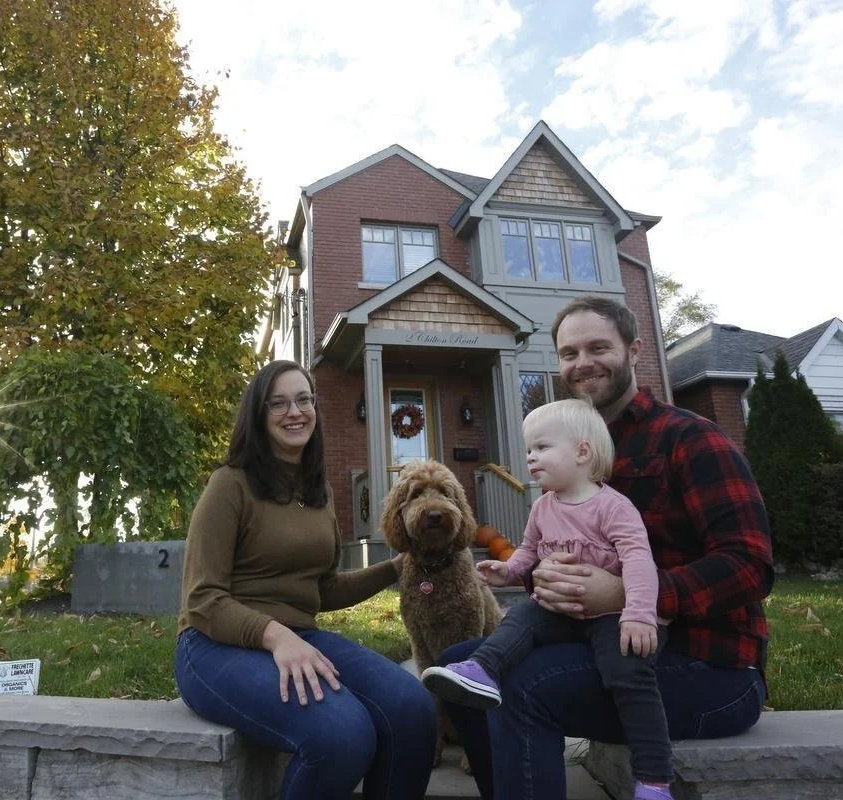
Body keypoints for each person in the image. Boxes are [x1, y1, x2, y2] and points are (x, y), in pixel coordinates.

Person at [438, 295, 774, 800]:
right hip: (600, 637)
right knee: (463, 666)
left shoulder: (691, 440)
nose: (583, 363)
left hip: (709, 665)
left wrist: (628, 594)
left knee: (523, 686)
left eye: (598, 347)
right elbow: (562, 546)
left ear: (635, 350)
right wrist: (539, 576)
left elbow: (749, 566)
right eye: (569, 353)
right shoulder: (561, 451)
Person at [175, 360, 436, 800]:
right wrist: (276, 636)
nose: (294, 411)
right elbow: (202, 599)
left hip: (297, 635)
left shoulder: (317, 490)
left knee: (412, 710)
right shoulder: (230, 484)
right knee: (342, 735)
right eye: (278, 403)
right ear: (259, 415)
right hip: (212, 646)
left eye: (303, 399)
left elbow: (323, 589)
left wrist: (395, 568)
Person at [421, 398, 673, 799]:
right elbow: (527, 551)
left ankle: (654, 780)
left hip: (612, 616)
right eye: (529, 450)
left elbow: (639, 560)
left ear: (582, 452)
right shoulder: (542, 507)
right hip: (562, 611)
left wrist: (639, 614)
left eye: (542, 448)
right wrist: (509, 570)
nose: (530, 458)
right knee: (522, 618)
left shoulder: (612, 507)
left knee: (630, 676)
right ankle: (482, 670)